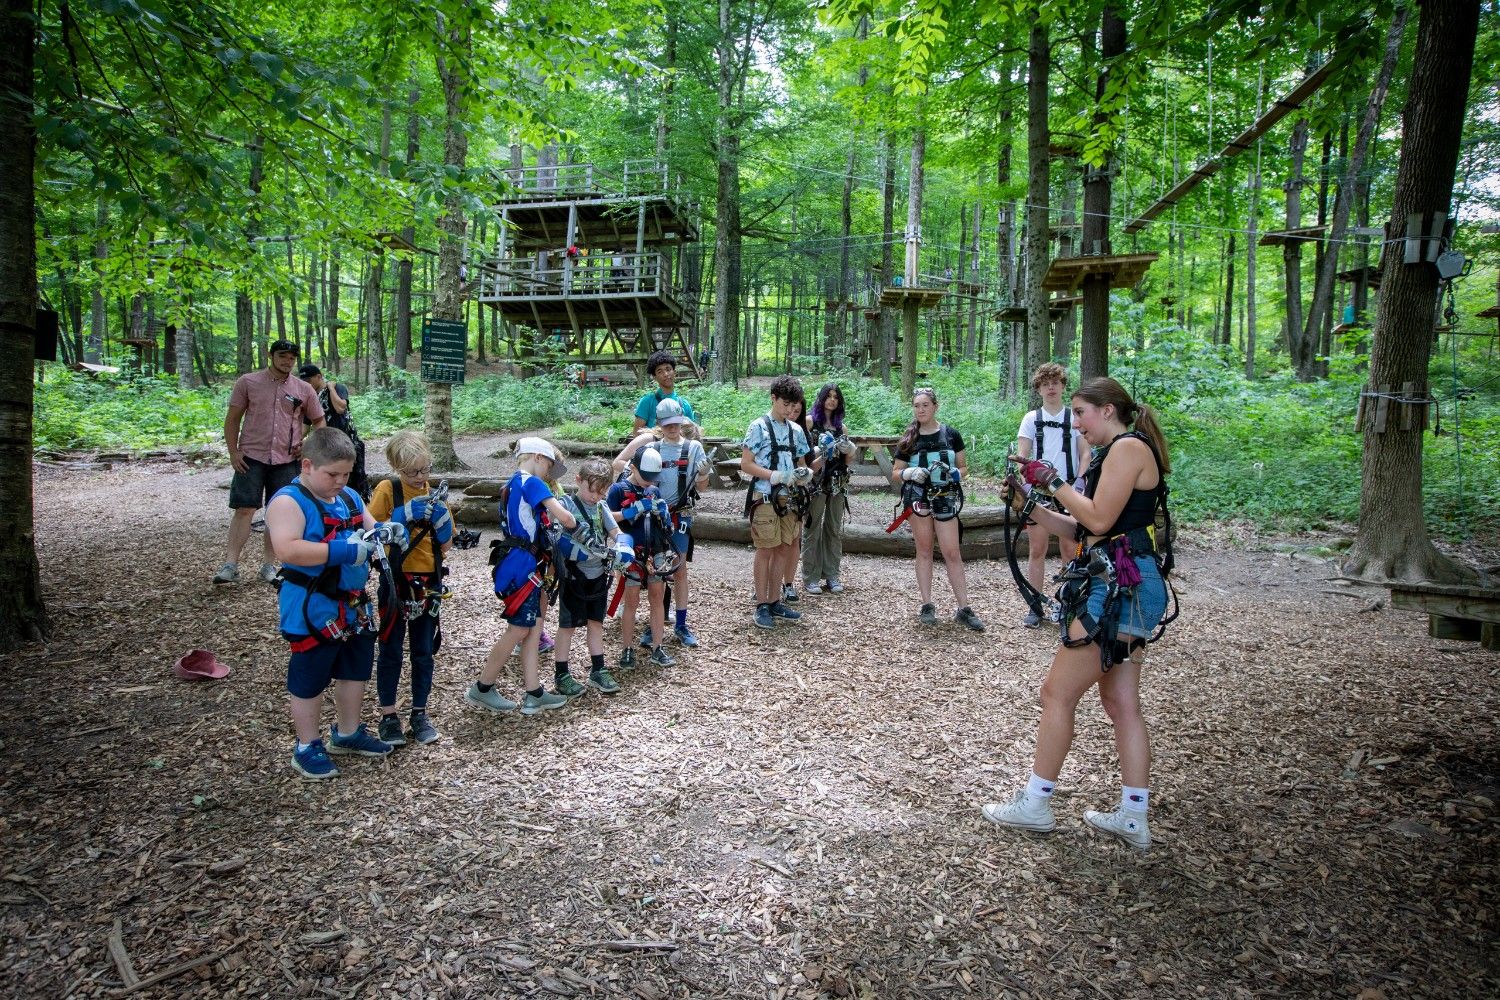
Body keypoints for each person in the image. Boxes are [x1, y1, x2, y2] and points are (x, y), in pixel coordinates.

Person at [983, 377, 1173, 850]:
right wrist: (1030, 504)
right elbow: (1080, 524)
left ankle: (1035, 804)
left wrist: (1054, 480)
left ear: (1108, 410)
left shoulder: (1128, 447)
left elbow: (1099, 521)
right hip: (1127, 582)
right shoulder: (1117, 453)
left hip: (1117, 589)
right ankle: (1133, 816)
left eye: (1082, 412)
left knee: (1056, 694)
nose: (1077, 423)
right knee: (1120, 703)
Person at [265, 426, 400, 778]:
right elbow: (287, 548)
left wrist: (388, 531)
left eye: (346, 474)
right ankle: (307, 745)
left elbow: (371, 528)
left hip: (353, 605)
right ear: (307, 465)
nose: (340, 481)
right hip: (311, 605)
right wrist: (343, 550)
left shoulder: (350, 497)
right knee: (310, 673)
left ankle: (348, 732)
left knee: (354, 667)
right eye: (332, 474)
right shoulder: (288, 501)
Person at [465, 438, 578, 716]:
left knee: (534, 627)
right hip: (523, 563)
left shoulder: (511, 484)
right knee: (519, 629)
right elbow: (566, 518)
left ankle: (534, 692)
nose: (549, 473)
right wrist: (573, 521)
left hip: (522, 560)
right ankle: (482, 687)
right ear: (538, 457)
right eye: (549, 465)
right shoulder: (532, 482)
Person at [368, 431, 454, 747]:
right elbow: (371, 535)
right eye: (412, 472)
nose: (420, 478)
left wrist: (443, 521)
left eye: (424, 470)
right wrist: (401, 517)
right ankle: (388, 717)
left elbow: (445, 546)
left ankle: (420, 713)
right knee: (390, 648)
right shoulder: (388, 490)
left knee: (423, 650)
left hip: (429, 582)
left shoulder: (433, 493)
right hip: (395, 581)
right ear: (397, 468)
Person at [216, 339, 324, 585]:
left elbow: (319, 420)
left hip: (286, 459)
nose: (287, 362)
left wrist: (307, 447)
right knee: (244, 509)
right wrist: (233, 452)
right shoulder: (248, 382)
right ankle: (230, 565)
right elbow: (232, 419)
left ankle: (269, 566)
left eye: (292, 358)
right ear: (271, 355)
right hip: (251, 456)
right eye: (283, 356)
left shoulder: (303, 389)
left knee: (278, 513)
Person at [614, 398, 710, 647]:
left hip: (680, 515)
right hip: (653, 515)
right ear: (659, 424)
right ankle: (655, 625)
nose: (672, 428)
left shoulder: (693, 448)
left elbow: (702, 486)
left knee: (677, 568)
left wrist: (703, 472)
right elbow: (627, 468)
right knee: (656, 568)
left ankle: (681, 623)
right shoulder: (652, 448)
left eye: (676, 423)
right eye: (667, 424)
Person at [890, 387, 984, 632]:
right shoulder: (908, 438)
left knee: (952, 551)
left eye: (925, 405)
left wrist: (954, 473)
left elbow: (964, 468)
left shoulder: (951, 434)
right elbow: (896, 473)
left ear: (935, 407)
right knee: (924, 550)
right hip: (919, 499)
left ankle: (964, 608)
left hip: (945, 497)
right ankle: (927, 604)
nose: (920, 409)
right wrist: (910, 473)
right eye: (916, 405)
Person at [1015, 362, 1091, 627]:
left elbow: (1085, 454)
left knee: (1070, 550)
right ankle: (1035, 606)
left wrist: (1080, 483)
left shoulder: (1075, 418)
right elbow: (1021, 456)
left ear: (1062, 386)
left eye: (1055, 382)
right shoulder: (1030, 419)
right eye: (1045, 383)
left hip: (1068, 489)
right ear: (1039, 388)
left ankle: (1067, 605)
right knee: (1037, 548)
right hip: (1038, 492)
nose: (1050, 387)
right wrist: (1023, 485)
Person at [741, 376, 815, 630]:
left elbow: (802, 464)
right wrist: (775, 476)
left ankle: (774, 600)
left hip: (791, 500)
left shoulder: (796, 431)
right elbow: (746, 463)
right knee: (766, 549)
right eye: (785, 404)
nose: (789, 410)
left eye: (793, 405)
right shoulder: (758, 427)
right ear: (773, 399)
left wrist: (804, 475)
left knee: (785, 547)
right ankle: (761, 604)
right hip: (764, 497)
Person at [552, 458, 626, 697]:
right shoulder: (566, 505)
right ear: (578, 480)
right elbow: (556, 536)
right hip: (574, 577)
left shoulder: (602, 507)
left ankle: (598, 670)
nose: (595, 497)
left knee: (596, 623)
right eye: (591, 490)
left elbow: (616, 531)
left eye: (601, 492)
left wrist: (624, 547)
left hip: (598, 577)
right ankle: (561, 673)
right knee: (568, 626)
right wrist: (580, 553)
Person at [606, 448, 676, 669]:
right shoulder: (618, 489)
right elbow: (606, 517)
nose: (648, 482)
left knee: (657, 598)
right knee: (632, 601)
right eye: (645, 477)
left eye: (652, 478)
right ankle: (627, 649)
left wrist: (664, 516)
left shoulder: (653, 490)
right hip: (631, 554)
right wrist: (630, 511)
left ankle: (657, 647)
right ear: (633, 468)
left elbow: (666, 527)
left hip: (655, 551)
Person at [802, 382, 858, 595]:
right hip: (816, 481)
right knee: (812, 527)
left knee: (834, 528)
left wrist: (850, 450)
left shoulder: (841, 427)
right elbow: (802, 455)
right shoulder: (809, 422)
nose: (832, 400)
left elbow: (848, 459)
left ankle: (832, 575)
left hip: (837, 482)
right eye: (829, 395)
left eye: (836, 397)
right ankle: (811, 576)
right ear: (822, 398)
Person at [298, 363, 369, 499]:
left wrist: (330, 388)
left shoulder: (337, 388)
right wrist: (296, 442)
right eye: (303, 381)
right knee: (331, 480)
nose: (306, 384)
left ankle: (357, 510)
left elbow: (340, 407)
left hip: (348, 442)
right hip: (326, 445)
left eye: (308, 380)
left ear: (319, 377)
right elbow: (306, 425)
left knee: (353, 481)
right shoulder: (310, 397)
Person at [779, 397, 809, 604]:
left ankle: (788, 583)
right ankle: (767, 585)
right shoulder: (768, 429)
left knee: (794, 539)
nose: (792, 414)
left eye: (797, 411)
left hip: (797, 493)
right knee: (772, 542)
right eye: (789, 408)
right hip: (773, 493)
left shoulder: (800, 434)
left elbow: (805, 464)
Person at [632, 349, 698, 431]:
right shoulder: (647, 402)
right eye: (660, 371)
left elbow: (692, 433)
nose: (666, 374)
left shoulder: (684, 404)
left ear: (674, 372)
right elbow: (637, 433)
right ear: (654, 377)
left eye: (668, 369)